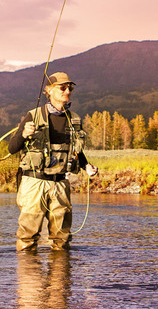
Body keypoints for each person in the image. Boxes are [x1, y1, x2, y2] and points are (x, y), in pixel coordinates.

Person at [8, 71, 98, 252]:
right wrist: (24, 134)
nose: (67, 91)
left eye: (70, 88)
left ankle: (60, 270)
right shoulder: (33, 115)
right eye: (62, 88)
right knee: (27, 236)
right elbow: (12, 148)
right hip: (34, 182)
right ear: (49, 91)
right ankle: (28, 270)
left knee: (61, 239)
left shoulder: (74, 119)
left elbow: (76, 150)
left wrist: (86, 166)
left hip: (61, 183)